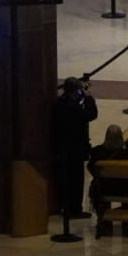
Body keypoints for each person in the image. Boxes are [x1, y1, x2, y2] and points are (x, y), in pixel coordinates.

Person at [50, 77, 99, 221]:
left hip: (62, 146)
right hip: (76, 148)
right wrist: (88, 97)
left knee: (63, 178)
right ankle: (75, 209)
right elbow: (91, 114)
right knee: (76, 179)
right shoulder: (74, 107)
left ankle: (63, 205)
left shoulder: (59, 103)